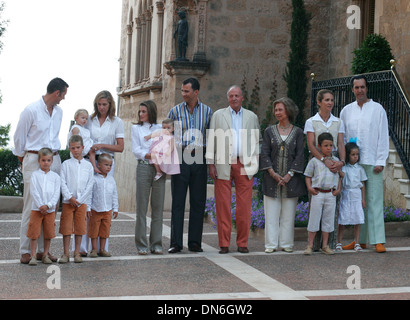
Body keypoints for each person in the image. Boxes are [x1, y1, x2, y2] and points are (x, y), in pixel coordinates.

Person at [13, 77, 69, 264]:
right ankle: (25, 250)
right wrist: (24, 159)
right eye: (63, 95)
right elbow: (19, 138)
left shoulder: (59, 112)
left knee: (51, 207)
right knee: (31, 206)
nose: (63, 99)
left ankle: (43, 252)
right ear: (56, 93)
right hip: (33, 158)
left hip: (53, 159)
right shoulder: (31, 110)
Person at [206, 85, 260, 254]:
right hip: (223, 162)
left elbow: (256, 140)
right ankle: (224, 243)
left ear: (242, 98)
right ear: (228, 98)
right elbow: (211, 138)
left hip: (244, 163)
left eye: (237, 95)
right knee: (223, 204)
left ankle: (242, 243)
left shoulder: (251, 116)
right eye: (231, 96)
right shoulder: (218, 115)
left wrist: (255, 161)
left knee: (244, 205)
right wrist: (210, 163)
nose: (234, 98)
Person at [340, 75, 389, 253]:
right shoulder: (346, 111)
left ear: (367, 88)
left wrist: (381, 161)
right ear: (352, 89)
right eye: (356, 87)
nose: (360, 90)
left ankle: (378, 240)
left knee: (374, 200)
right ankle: (359, 240)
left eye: (362, 87)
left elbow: (383, 136)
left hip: (371, 160)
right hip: (353, 164)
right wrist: (344, 160)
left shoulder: (377, 109)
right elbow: (342, 137)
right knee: (355, 201)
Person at [167, 77, 212, 253]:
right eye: (182, 91)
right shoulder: (175, 111)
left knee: (198, 202)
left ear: (196, 92)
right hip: (181, 158)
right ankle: (175, 243)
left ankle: (195, 242)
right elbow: (168, 135)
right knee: (178, 202)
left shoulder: (208, 112)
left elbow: (210, 136)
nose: (183, 94)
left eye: (186, 91)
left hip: (199, 158)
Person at [79, 90, 124, 255]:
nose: (102, 107)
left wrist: (102, 145)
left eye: (104, 104)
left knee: (103, 200)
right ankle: (84, 247)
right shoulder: (89, 120)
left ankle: (102, 248)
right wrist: (92, 163)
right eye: (99, 104)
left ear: (110, 104)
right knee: (88, 201)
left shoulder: (116, 121)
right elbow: (82, 140)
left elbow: (120, 147)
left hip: (106, 162)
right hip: (89, 162)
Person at [260, 98, 306, 253]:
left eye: (280, 109)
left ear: (288, 111)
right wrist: (273, 173)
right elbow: (264, 153)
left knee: (288, 215)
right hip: (271, 179)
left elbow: (300, 155)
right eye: (276, 110)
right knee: (271, 215)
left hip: (291, 181)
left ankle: (286, 244)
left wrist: (289, 174)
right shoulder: (269, 131)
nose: (277, 113)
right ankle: (270, 245)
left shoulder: (298, 132)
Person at [132, 100, 166, 255]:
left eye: (144, 111)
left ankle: (156, 244)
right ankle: (141, 244)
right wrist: (150, 154)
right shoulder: (136, 128)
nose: (141, 114)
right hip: (144, 166)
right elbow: (136, 149)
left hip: (159, 168)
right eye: (140, 111)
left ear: (151, 112)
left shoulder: (160, 128)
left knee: (158, 208)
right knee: (142, 208)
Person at [304, 132, 342, 255]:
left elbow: (340, 176)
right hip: (318, 193)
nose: (328, 148)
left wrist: (338, 189)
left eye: (331, 145)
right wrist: (309, 187)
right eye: (325, 145)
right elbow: (308, 175)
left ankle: (325, 245)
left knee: (328, 220)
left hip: (330, 194)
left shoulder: (336, 161)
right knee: (314, 219)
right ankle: (310, 245)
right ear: (319, 146)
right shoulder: (315, 161)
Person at [59, 135, 94, 263]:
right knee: (66, 228)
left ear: (83, 148)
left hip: (81, 203)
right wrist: (70, 197)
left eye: (78, 147)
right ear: (69, 148)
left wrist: (81, 199)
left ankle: (77, 253)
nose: (76, 150)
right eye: (73, 148)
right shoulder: (65, 164)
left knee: (80, 228)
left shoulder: (88, 166)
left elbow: (90, 184)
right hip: (69, 202)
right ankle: (65, 253)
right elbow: (62, 183)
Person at [26, 148, 61, 266]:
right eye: (43, 160)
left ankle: (45, 254)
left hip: (49, 210)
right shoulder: (35, 175)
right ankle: (33, 256)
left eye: (48, 160)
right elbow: (34, 191)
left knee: (48, 233)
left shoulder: (55, 177)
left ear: (52, 161)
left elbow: (56, 193)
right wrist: (41, 205)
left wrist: (49, 205)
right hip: (37, 209)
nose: (46, 162)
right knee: (34, 233)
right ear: (39, 161)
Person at [336, 143, 367, 252]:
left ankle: (357, 243)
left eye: (357, 154)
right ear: (348, 155)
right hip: (346, 194)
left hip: (356, 195)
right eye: (353, 154)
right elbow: (341, 177)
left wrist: (363, 199)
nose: (355, 156)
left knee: (357, 220)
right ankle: (338, 242)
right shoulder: (344, 168)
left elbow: (362, 185)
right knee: (342, 219)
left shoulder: (360, 169)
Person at [88, 153, 119, 258]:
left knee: (105, 231)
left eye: (110, 165)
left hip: (107, 210)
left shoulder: (112, 180)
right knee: (94, 230)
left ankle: (102, 249)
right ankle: (93, 249)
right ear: (98, 165)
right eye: (106, 165)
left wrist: (115, 208)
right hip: (95, 209)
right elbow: (90, 195)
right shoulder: (94, 179)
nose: (108, 167)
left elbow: (114, 194)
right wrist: (88, 208)